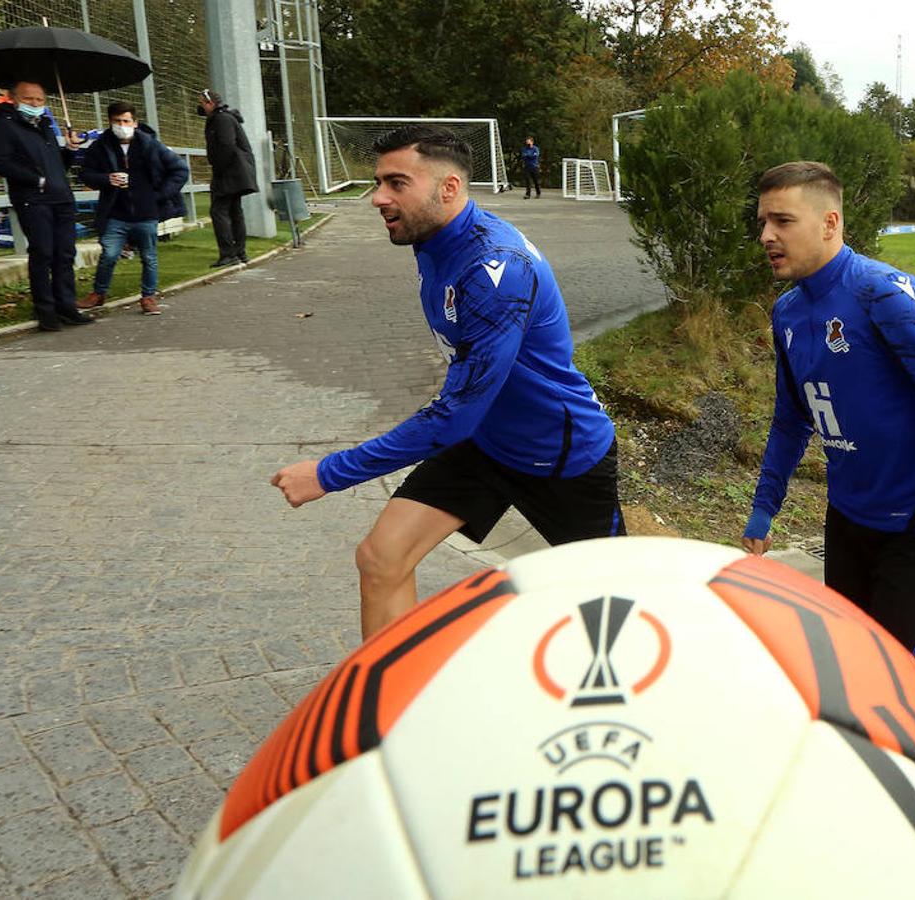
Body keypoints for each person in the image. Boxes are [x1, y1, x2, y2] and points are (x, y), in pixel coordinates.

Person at [269, 125, 624, 638]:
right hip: (484, 443)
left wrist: (328, 473)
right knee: (381, 559)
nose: (377, 199)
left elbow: (453, 414)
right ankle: (392, 702)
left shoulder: (493, 269)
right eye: (378, 183)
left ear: (449, 188)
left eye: (396, 184)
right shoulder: (435, 239)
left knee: (615, 604)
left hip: (560, 455)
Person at [741, 160, 915, 655]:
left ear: (830, 223)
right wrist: (764, 507)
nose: (766, 236)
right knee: (841, 664)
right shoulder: (787, 312)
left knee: (881, 677)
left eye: (782, 221)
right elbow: (791, 418)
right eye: (762, 222)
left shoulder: (884, 293)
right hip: (846, 521)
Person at [0, 80, 93, 332]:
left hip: (60, 197)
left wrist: (69, 149)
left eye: (39, 100)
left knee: (65, 253)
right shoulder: (4, 125)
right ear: (14, 98)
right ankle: (45, 310)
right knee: (43, 253)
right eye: (29, 99)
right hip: (33, 198)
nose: (34, 104)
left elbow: (56, 164)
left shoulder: (43, 125)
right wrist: (35, 179)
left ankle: (66, 305)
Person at [79, 102, 189, 315]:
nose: (122, 125)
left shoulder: (151, 146)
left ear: (135, 122)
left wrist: (159, 195)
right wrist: (106, 179)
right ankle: (98, 293)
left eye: (126, 121)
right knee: (109, 254)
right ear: (110, 123)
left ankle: (148, 297)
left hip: (146, 212)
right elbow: (86, 174)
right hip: (115, 212)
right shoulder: (100, 147)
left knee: (149, 256)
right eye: (117, 121)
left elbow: (179, 170)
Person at [196, 89, 256, 267]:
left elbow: (226, 145)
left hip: (230, 172)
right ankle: (239, 252)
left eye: (202, 103)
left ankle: (229, 253)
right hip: (237, 171)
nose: (200, 107)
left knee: (219, 210)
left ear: (209, 103)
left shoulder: (221, 120)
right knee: (234, 210)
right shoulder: (226, 118)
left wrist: (219, 169)